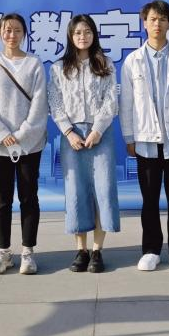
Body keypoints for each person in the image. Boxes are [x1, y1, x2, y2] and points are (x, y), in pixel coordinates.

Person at [119, 0, 169, 272]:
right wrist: (129, 137)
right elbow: (126, 103)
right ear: (144, 23)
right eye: (153, 19)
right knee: (150, 200)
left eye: (162, 19)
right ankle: (151, 250)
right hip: (145, 141)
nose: (157, 24)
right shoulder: (132, 61)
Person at [0, 13, 48, 275]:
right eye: (7, 30)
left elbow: (40, 102)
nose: (12, 35)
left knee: (29, 197)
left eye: (17, 30)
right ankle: (3, 252)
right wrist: (2, 133)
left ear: (24, 33)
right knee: (1, 199)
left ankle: (28, 252)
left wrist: (23, 134)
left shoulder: (34, 64)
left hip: (30, 145)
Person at [47, 14, 120, 273]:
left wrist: (98, 130)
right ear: (70, 36)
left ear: (94, 35)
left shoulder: (105, 64)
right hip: (73, 135)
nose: (82, 36)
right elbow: (55, 102)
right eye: (77, 32)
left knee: (103, 189)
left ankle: (98, 251)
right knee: (76, 191)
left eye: (87, 32)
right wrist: (68, 132)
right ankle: (81, 250)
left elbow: (111, 100)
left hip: (101, 133)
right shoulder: (59, 68)